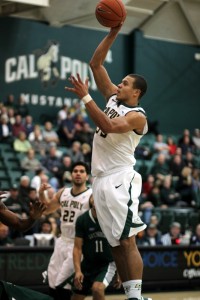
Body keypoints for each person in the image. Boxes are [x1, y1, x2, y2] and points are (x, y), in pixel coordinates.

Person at [65, 26, 151, 300]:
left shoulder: (138, 115)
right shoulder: (113, 98)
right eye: (121, 82)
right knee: (115, 243)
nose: (119, 85)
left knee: (127, 240)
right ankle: (131, 296)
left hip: (119, 178)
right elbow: (96, 63)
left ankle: (136, 298)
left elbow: (109, 125)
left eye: (125, 83)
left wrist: (86, 97)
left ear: (136, 92)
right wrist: (114, 30)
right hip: (99, 179)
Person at [39, 161, 92, 300]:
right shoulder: (63, 192)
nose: (78, 174)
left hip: (79, 244)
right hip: (62, 241)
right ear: (71, 174)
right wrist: (41, 194)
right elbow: (47, 210)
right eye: (75, 171)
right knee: (52, 280)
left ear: (87, 176)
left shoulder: (92, 195)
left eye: (82, 171)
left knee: (63, 284)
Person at [71, 197, 120, 300]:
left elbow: (120, 247)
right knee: (76, 297)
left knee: (97, 289)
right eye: (93, 196)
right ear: (90, 201)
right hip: (88, 264)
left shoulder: (113, 219)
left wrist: (120, 271)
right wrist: (78, 271)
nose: (96, 199)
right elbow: (77, 248)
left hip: (106, 264)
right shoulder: (82, 220)